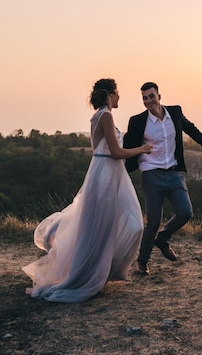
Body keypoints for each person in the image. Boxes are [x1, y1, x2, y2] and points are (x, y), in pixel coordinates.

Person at [22, 78, 153, 302]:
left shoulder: (99, 116)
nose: (120, 97)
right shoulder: (106, 115)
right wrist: (142, 149)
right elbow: (115, 152)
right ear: (110, 94)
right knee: (114, 226)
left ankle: (105, 271)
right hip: (105, 175)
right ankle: (92, 274)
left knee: (116, 225)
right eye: (118, 92)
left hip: (108, 174)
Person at [124, 81, 202, 275]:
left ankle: (162, 239)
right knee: (153, 221)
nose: (148, 100)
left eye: (151, 96)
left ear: (159, 96)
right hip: (151, 174)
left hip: (174, 173)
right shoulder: (138, 121)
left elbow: (190, 128)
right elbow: (127, 145)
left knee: (185, 212)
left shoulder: (174, 112)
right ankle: (142, 262)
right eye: (144, 98)